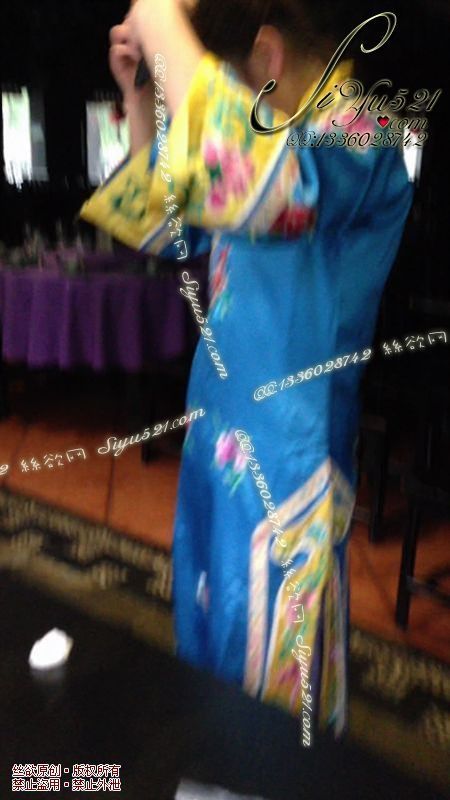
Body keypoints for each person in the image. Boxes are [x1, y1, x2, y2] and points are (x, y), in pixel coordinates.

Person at [79, 0, 413, 740]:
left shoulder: (361, 129)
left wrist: (161, 14)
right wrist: (141, 97)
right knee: (208, 634)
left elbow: (260, 185)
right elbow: (169, 226)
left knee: (272, 693)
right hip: (220, 434)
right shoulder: (268, 137)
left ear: (267, 58)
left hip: (288, 466)